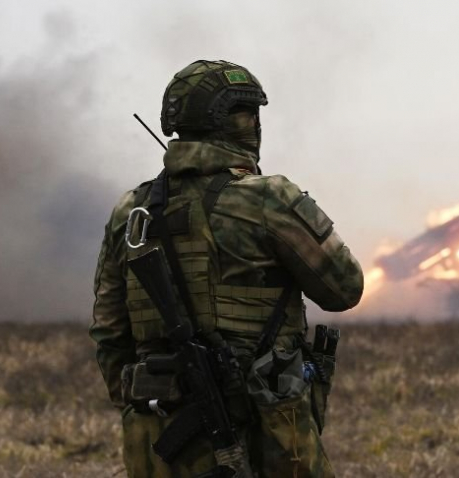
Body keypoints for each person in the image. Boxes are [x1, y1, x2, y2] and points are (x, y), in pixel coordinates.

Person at [90, 59, 363, 477]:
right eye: (251, 114)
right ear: (240, 122)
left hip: (156, 438)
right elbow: (345, 288)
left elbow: (111, 333)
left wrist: (147, 403)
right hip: (265, 432)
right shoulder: (268, 198)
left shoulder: (131, 211)